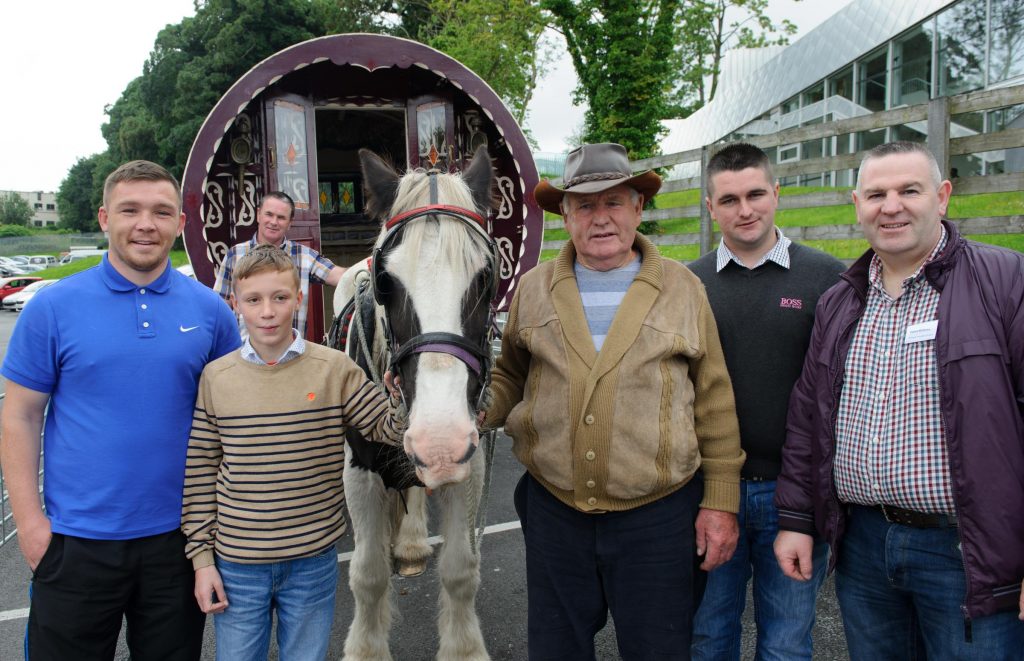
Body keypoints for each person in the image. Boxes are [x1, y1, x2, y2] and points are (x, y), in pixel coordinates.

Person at [484, 142, 745, 659]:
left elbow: (713, 400)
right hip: (555, 511)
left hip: (658, 519)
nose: (600, 218)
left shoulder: (682, 288)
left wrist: (719, 503)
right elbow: (509, 375)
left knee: (658, 650)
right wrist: (471, 411)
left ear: (638, 208)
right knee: (557, 649)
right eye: (585, 205)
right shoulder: (533, 290)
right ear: (565, 214)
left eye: (614, 203)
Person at [774, 141, 1024, 659]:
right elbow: (808, 417)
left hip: (966, 552)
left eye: (909, 190)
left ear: (943, 196)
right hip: (865, 545)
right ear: (857, 204)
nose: (891, 206)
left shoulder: (1004, 281)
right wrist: (797, 522)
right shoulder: (841, 301)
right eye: (876, 194)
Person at [0, 160, 241, 660]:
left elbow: (232, 419)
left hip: (178, 543)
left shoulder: (212, 312)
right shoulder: (53, 307)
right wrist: (31, 526)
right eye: (130, 210)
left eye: (161, 211)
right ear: (105, 217)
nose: (145, 224)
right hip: (75, 543)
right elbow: (19, 416)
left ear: (179, 222)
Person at [182, 245, 403, 660]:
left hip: (312, 562)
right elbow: (200, 471)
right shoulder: (216, 377)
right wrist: (201, 561)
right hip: (237, 565)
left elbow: (389, 428)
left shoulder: (335, 369)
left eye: (280, 298)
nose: (267, 311)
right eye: (253, 300)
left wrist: (403, 395)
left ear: (298, 300)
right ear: (236, 304)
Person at [689, 143, 843, 660]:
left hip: (794, 494)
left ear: (776, 194)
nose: (745, 209)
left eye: (756, 194)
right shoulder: (689, 285)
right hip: (711, 491)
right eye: (729, 199)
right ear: (710, 207)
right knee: (708, 634)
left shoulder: (827, 279)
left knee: (787, 640)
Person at [213, 191, 345, 337]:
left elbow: (339, 276)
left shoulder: (304, 256)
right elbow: (219, 307)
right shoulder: (235, 254)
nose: (274, 222)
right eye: (269, 214)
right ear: (258, 215)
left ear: (290, 223)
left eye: (281, 217)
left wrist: (372, 265)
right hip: (245, 352)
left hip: (291, 352)